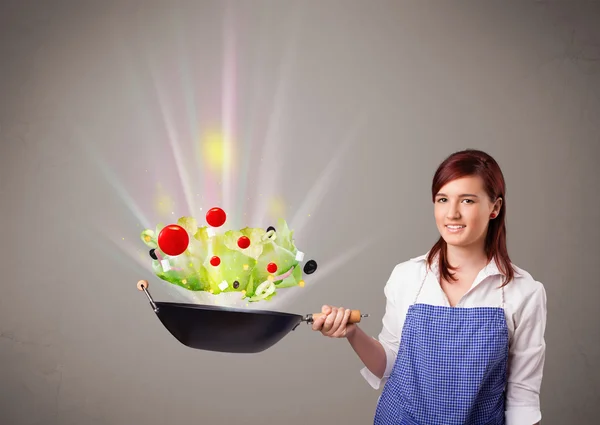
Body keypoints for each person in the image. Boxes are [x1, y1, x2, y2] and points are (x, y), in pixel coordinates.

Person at [312, 149, 547, 425]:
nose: (452, 213)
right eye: (443, 199)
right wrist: (352, 333)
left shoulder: (524, 292)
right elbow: (387, 365)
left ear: (494, 208)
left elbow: (523, 399)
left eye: (467, 200)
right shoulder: (407, 276)